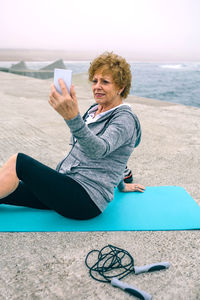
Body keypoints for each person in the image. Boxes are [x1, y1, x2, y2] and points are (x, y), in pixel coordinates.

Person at [0, 52, 145, 220]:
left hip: (85, 200)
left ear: (121, 87)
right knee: (8, 188)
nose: (97, 86)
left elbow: (101, 149)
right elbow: (118, 158)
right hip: (67, 187)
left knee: (19, 162)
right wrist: (122, 185)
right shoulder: (94, 110)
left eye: (105, 82)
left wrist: (72, 118)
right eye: (95, 81)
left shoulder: (125, 119)